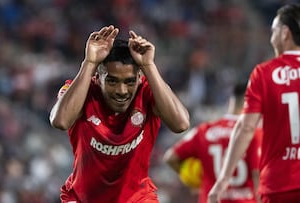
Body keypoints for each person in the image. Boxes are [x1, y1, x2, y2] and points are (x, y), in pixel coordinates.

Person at [49, 25, 190, 203]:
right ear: (97, 77)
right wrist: (89, 63)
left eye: (129, 82)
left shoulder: (146, 90)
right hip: (82, 198)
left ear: (139, 78)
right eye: (112, 81)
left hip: (137, 199)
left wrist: (149, 65)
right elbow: (60, 121)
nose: (122, 90)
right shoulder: (81, 90)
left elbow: (181, 124)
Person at [208, 4, 300, 203]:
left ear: (285, 33)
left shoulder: (264, 73)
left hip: (279, 184)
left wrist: (224, 179)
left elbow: (246, 126)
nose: (270, 37)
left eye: (273, 31)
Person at [163, 82, 262, 203]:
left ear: (232, 100)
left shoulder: (205, 131)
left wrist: (194, 181)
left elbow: (170, 157)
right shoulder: (255, 134)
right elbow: (257, 174)